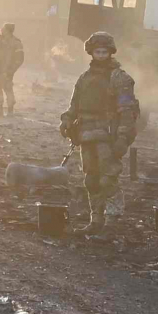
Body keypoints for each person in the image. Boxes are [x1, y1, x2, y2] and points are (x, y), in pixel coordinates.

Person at [60, 33, 140, 232]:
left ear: (111, 52)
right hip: (86, 134)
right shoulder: (84, 78)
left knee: (108, 179)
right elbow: (75, 104)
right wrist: (67, 120)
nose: (101, 55)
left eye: (105, 52)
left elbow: (127, 112)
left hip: (108, 136)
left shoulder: (120, 78)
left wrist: (122, 138)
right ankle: (95, 220)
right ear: (91, 52)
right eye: (98, 51)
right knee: (91, 180)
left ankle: (112, 221)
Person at [0, 23, 25, 116]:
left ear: (8, 30)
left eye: (3, 29)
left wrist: (11, 70)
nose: (1, 30)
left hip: (6, 70)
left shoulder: (16, 43)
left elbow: (20, 59)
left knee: (8, 89)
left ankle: (10, 111)